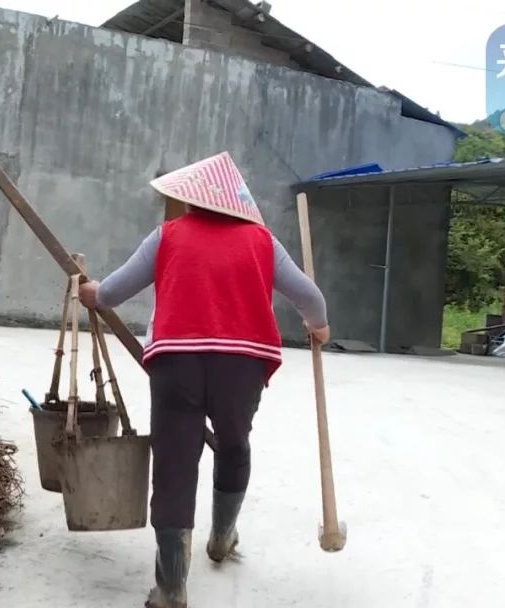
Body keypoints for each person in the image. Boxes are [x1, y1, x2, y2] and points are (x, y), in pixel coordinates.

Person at [77, 152, 330, 608]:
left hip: (177, 365)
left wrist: (91, 293)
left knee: (175, 465)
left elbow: (112, 292)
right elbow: (309, 297)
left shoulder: (167, 236)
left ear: (190, 202)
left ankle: (171, 586)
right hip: (242, 368)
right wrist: (319, 326)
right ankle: (222, 538)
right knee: (234, 446)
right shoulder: (263, 242)